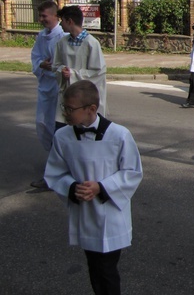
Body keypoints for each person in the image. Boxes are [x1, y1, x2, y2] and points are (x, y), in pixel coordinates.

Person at [44, 80, 142, 295]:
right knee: (95, 268)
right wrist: (72, 187)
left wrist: (101, 187)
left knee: (106, 270)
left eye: (71, 109)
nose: (66, 113)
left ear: (92, 109)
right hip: (85, 213)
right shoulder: (63, 137)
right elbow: (55, 172)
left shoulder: (119, 135)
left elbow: (132, 172)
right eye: (64, 108)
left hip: (111, 213)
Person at [30, 0, 66, 189]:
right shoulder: (41, 36)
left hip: (58, 89)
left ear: (54, 16)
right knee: (42, 125)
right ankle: (56, 165)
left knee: (57, 130)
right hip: (45, 86)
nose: (41, 19)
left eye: (44, 16)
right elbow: (35, 56)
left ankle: (54, 172)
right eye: (40, 15)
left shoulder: (63, 36)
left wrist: (55, 67)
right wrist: (40, 65)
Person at [53, 6, 107, 127]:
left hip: (83, 99)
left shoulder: (91, 43)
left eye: (62, 20)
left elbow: (98, 71)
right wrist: (61, 70)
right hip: (66, 94)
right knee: (62, 131)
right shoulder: (62, 42)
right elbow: (55, 65)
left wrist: (72, 74)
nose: (60, 24)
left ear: (69, 21)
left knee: (82, 132)